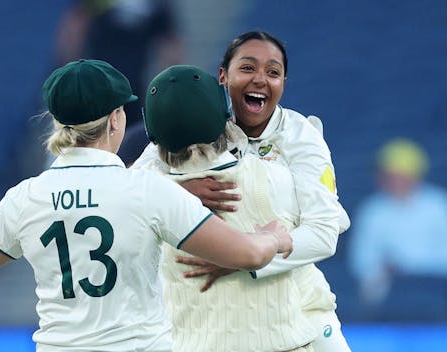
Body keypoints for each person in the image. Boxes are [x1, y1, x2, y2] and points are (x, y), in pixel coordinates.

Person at [0, 59, 294, 352]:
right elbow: (247, 255)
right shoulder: (147, 190)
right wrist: (274, 237)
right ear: (115, 120)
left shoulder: (25, 197)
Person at [134, 31, 351, 351]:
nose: (261, 79)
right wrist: (180, 190)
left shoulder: (300, 136)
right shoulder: (199, 123)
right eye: (248, 68)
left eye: (273, 72)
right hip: (208, 323)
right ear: (223, 77)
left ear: (283, 84)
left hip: (304, 311)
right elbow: (131, 187)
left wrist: (244, 256)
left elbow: (324, 234)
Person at [347, 138, 447, 307]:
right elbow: (360, 261)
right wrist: (385, 270)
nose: (393, 181)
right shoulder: (372, 209)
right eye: (388, 175)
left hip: (439, 294)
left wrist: (408, 267)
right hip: (389, 297)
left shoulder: (441, 205)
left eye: (399, 175)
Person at [54, 0, 182, 164]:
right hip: (97, 88)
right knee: (89, 145)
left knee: (131, 149)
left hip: (133, 90)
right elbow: (75, 27)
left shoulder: (154, 5)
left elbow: (170, 44)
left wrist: (169, 85)